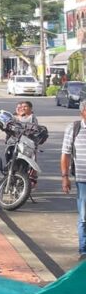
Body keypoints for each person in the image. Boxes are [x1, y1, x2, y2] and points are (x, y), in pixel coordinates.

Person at [60, 102, 86, 263]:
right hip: (83, 179)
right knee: (84, 215)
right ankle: (83, 249)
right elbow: (66, 154)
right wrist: (65, 177)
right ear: (82, 112)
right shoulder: (74, 128)